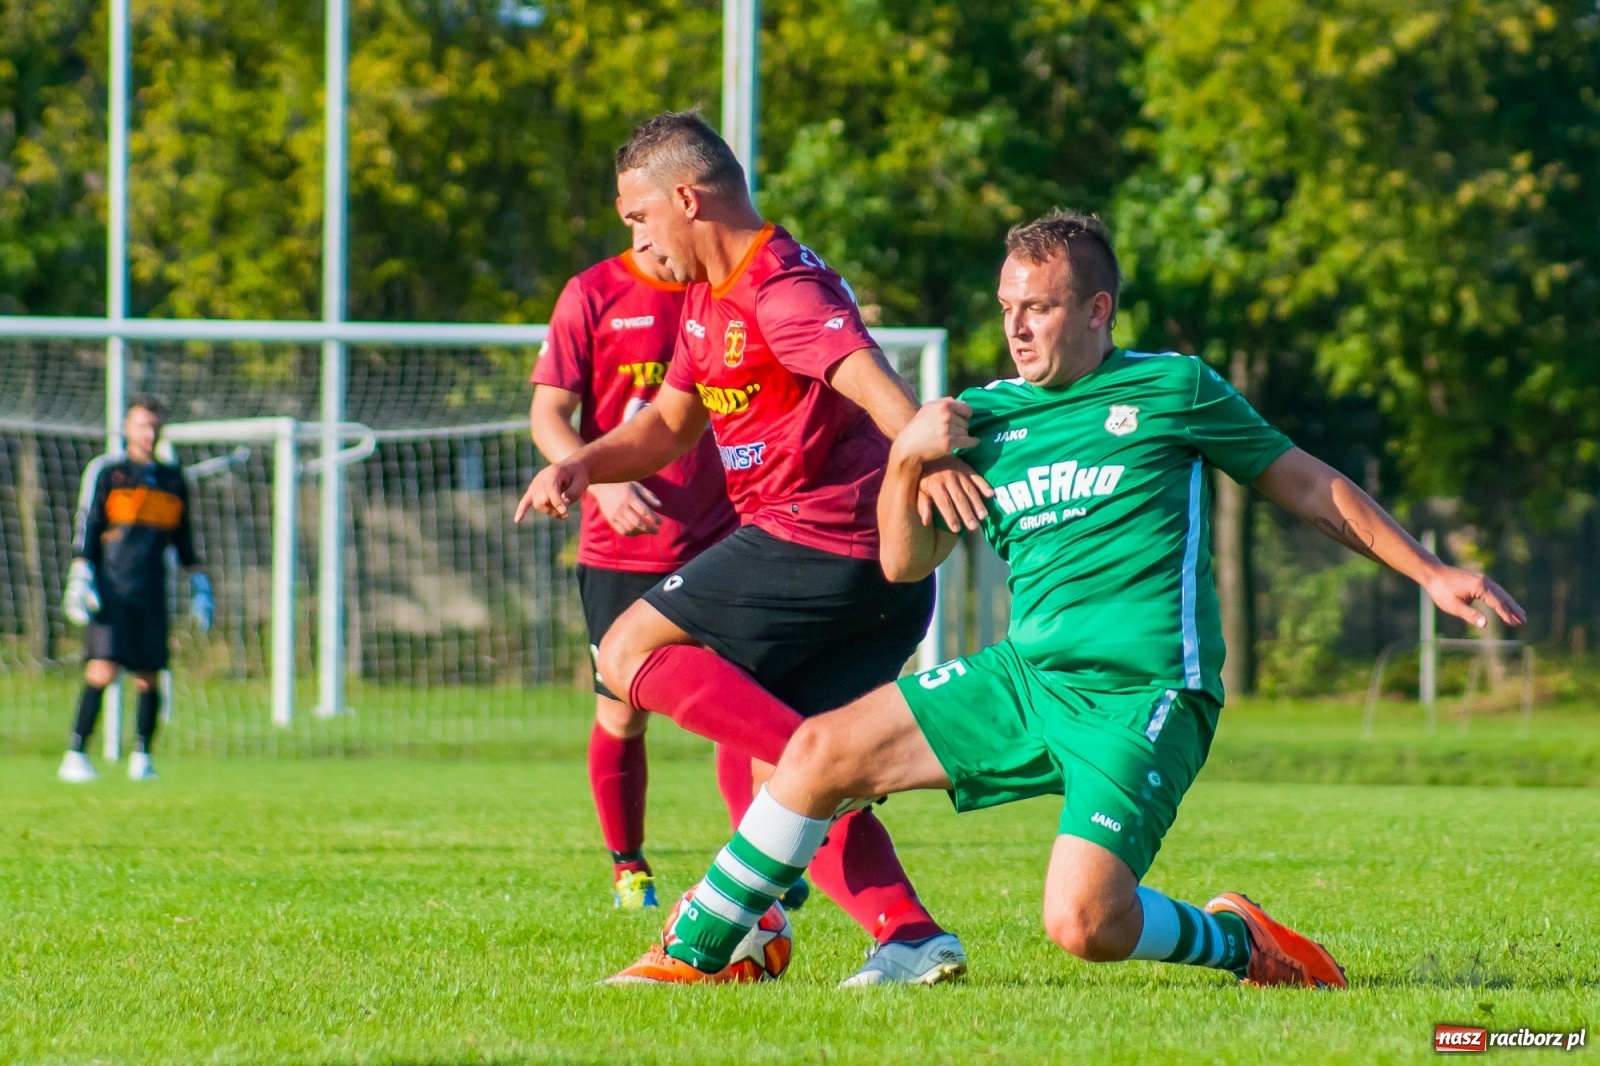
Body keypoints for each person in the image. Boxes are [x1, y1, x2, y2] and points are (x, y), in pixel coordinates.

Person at [614, 208, 1528, 987]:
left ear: (1096, 310)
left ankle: (1240, 942)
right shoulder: (986, 419)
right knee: (816, 751)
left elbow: (1304, 483)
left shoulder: (1172, 388)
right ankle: (696, 953)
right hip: (1026, 678)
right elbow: (903, 563)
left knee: (1084, 925)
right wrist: (905, 461)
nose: (1017, 328)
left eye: (1040, 309)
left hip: (1143, 694)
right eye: (1007, 308)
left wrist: (1430, 572)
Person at [518, 110, 990, 986]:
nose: (636, 239)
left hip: (828, 537)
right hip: (849, 560)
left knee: (628, 651)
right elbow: (668, 426)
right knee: (767, 773)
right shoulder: (708, 298)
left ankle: (836, 772)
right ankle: (910, 935)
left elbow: (867, 375)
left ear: (687, 199)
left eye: (639, 217)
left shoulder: (779, 286)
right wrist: (584, 464)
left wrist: (925, 458)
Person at [531, 203, 763, 910]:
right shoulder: (592, 293)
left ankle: (755, 863)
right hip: (622, 550)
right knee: (622, 711)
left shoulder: (723, 290)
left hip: (725, 537)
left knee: (741, 698)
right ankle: (629, 867)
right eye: (632, 212)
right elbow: (548, 414)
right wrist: (600, 485)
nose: (644, 228)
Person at [60, 398, 213, 783]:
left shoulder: (173, 480)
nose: (149, 433)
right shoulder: (109, 473)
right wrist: (81, 573)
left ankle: (142, 757)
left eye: (155, 426)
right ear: (128, 428)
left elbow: (183, 538)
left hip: (151, 590)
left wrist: (200, 583)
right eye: (143, 425)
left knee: (150, 676)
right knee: (102, 669)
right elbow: (89, 525)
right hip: (111, 590)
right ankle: (76, 754)